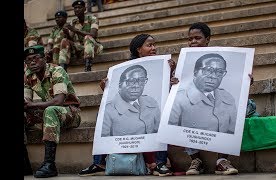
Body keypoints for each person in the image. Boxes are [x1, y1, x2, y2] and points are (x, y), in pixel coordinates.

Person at [79, 34, 176, 177]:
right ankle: (99, 162)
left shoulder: (164, 65)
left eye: (154, 45)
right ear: (138, 49)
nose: (154, 48)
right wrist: (106, 87)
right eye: (149, 45)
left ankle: (159, 162)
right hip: (127, 119)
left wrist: (171, 76)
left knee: (160, 113)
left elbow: (163, 94)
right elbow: (115, 93)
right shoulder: (123, 69)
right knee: (104, 113)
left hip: (147, 114)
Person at [170, 22, 241, 175]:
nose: (193, 42)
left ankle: (222, 160)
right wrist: (172, 81)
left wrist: (246, 82)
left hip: (218, 102)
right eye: (190, 39)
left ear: (207, 39)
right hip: (190, 102)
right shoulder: (183, 63)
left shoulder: (226, 95)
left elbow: (237, 84)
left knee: (227, 113)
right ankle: (196, 159)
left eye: (198, 38)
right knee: (186, 111)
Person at [24, 45, 81, 178]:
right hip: (49, 113)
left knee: (50, 110)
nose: (32, 62)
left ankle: (50, 164)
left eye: (35, 58)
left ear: (44, 59)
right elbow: (27, 101)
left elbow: (58, 101)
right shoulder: (28, 75)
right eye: (28, 60)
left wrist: (31, 105)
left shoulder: (57, 71)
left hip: (70, 113)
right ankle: (25, 164)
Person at [168, 53, 237, 133]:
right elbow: (171, 134)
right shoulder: (178, 98)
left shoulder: (228, 97)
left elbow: (232, 131)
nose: (213, 76)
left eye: (220, 72)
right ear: (195, 72)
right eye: (208, 70)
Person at [101, 65, 160, 136]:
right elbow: (104, 143)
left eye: (141, 80)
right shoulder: (107, 111)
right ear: (120, 85)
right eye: (131, 81)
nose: (136, 85)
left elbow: (160, 131)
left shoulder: (151, 101)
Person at [63, 0, 104, 72]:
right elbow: (71, 39)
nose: (77, 9)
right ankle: (63, 68)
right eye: (75, 8)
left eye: (79, 7)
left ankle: (87, 67)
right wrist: (66, 33)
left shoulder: (93, 19)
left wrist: (75, 30)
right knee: (64, 41)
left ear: (84, 9)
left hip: (94, 47)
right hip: (81, 48)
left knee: (88, 37)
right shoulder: (74, 22)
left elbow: (93, 35)